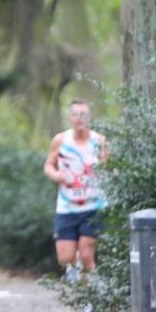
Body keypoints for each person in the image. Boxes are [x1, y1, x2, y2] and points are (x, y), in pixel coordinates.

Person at [43, 99, 108, 284]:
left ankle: (94, 292)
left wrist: (104, 168)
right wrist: (56, 175)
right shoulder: (61, 140)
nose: (80, 118)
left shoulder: (99, 141)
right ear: (69, 117)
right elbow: (48, 165)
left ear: (90, 118)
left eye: (84, 115)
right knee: (65, 258)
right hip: (67, 206)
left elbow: (111, 168)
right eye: (76, 114)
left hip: (93, 206)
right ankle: (73, 267)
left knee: (87, 256)